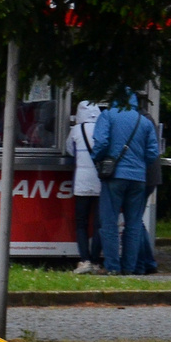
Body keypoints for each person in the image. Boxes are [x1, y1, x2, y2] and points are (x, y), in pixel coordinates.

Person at [91, 88, 160, 275]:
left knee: (109, 223)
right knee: (134, 224)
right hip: (138, 179)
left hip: (114, 177)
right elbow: (153, 153)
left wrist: (97, 160)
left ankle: (113, 268)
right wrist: (138, 164)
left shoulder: (107, 116)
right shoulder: (144, 121)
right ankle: (129, 269)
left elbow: (101, 143)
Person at [65, 100, 104, 273]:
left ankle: (84, 259)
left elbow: (69, 150)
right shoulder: (103, 128)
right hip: (101, 182)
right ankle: (96, 260)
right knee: (98, 223)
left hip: (81, 181)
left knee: (81, 222)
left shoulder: (76, 130)